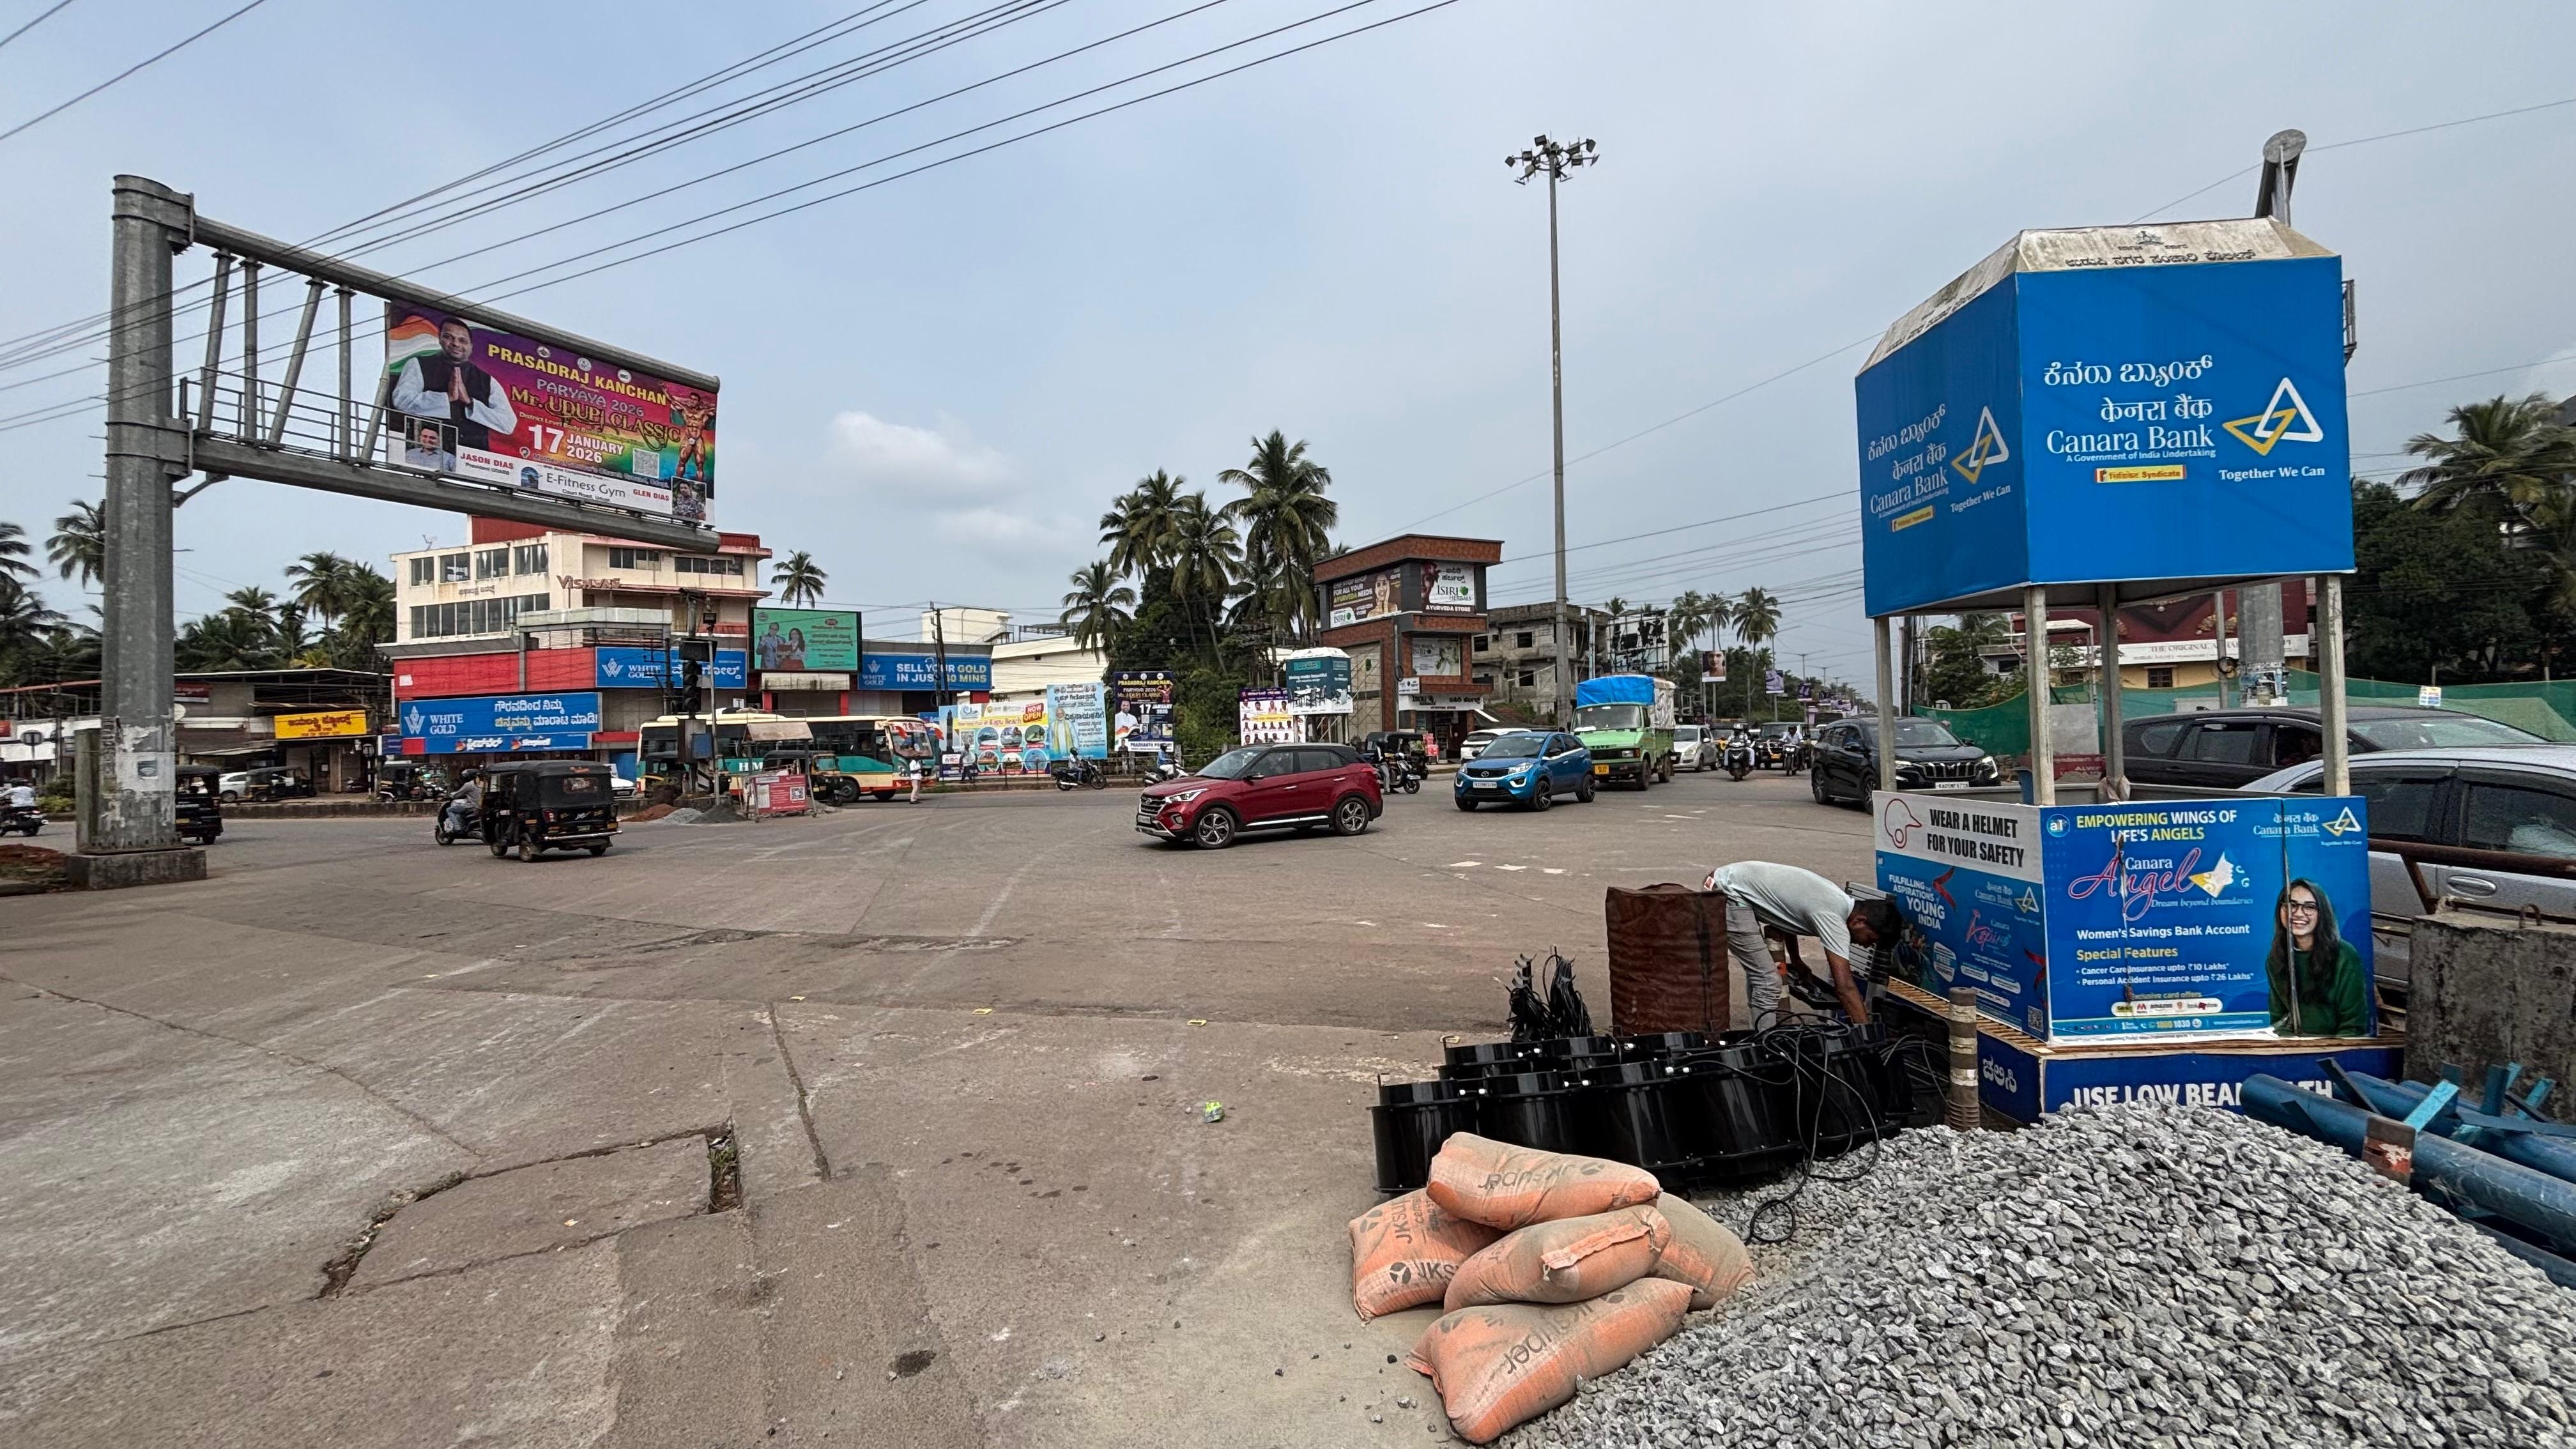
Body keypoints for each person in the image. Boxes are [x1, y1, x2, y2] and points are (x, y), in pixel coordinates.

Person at [1701, 861, 1901, 1025]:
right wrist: (1866, 1032)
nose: (1866, 946)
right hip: (1727, 893)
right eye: (1870, 939)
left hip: (1725, 882)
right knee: (1769, 981)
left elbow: (1788, 918)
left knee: (1761, 976)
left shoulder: (1838, 900)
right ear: (1860, 922)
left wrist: (1796, 960)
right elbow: (1845, 986)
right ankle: (1766, 1048)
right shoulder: (1834, 918)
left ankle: (1762, 1029)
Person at [391, 315, 518, 470]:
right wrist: (447, 398)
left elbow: (508, 424)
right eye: (448, 337)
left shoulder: (487, 380)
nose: (455, 344)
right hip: (428, 464)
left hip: (475, 463)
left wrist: (470, 403)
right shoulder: (419, 364)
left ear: (471, 347)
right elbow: (401, 401)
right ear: (440, 339)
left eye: (462, 340)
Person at [2266, 878, 2371, 1037]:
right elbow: (2278, 1020)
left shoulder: (2344, 955)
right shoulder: (2276, 958)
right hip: (2294, 1047)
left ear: (2322, 913)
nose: (2298, 913)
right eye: (2291, 905)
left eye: (2310, 907)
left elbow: (2354, 1025)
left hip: (2335, 1047)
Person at [441, 770, 482, 839]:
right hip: (480, 806)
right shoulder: (483, 784)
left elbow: (457, 794)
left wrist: (449, 796)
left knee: (449, 810)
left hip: (471, 806)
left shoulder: (469, 785)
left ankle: (457, 828)